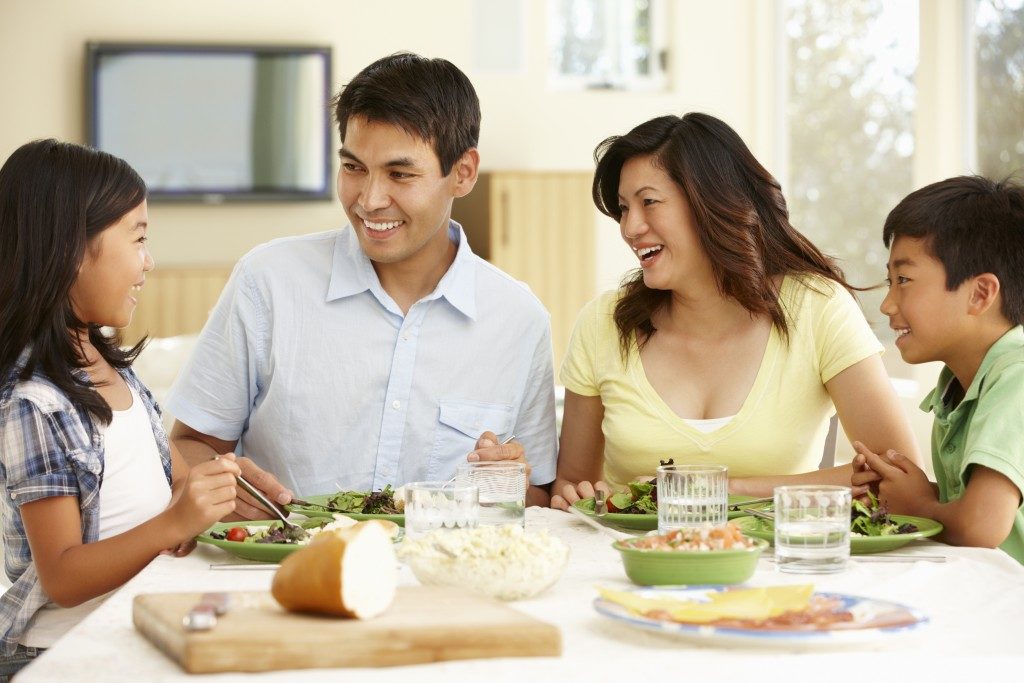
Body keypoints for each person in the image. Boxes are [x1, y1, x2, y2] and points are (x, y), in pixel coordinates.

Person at [167, 53, 557, 515]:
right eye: (353, 167)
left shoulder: (518, 319)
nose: (369, 201)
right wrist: (222, 492)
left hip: (437, 579)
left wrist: (510, 482)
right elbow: (189, 446)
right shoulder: (268, 282)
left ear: (463, 173)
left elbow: (537, 499)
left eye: (400, 174)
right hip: (284, 572)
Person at [551, 113, 920, 510]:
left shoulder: (818, 308)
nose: (630, 227)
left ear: (712, 200)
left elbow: (900, 474)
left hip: (779, 566)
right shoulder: (602, 323)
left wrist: (712, 489)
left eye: (649, 202)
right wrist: (575, 496)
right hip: (630, 567)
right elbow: (573, 485)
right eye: (624, 208)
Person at [0, 140, 239, 678]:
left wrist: (231, 481)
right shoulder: (32, 403)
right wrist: (175, 521)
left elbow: (160, 476)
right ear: (70, 250)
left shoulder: (116, 374)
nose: (148, 262)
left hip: (133, 626)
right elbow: (62, 576)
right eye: (138, 238)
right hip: (62, 653)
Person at [851, 176, 1024, 563]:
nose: (887, 305)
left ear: (980, 294)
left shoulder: (1017, 374)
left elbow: (982, 524)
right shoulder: (958, 386)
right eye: (889, 281)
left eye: (904, 280)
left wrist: (919, 505)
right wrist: (900, 491)